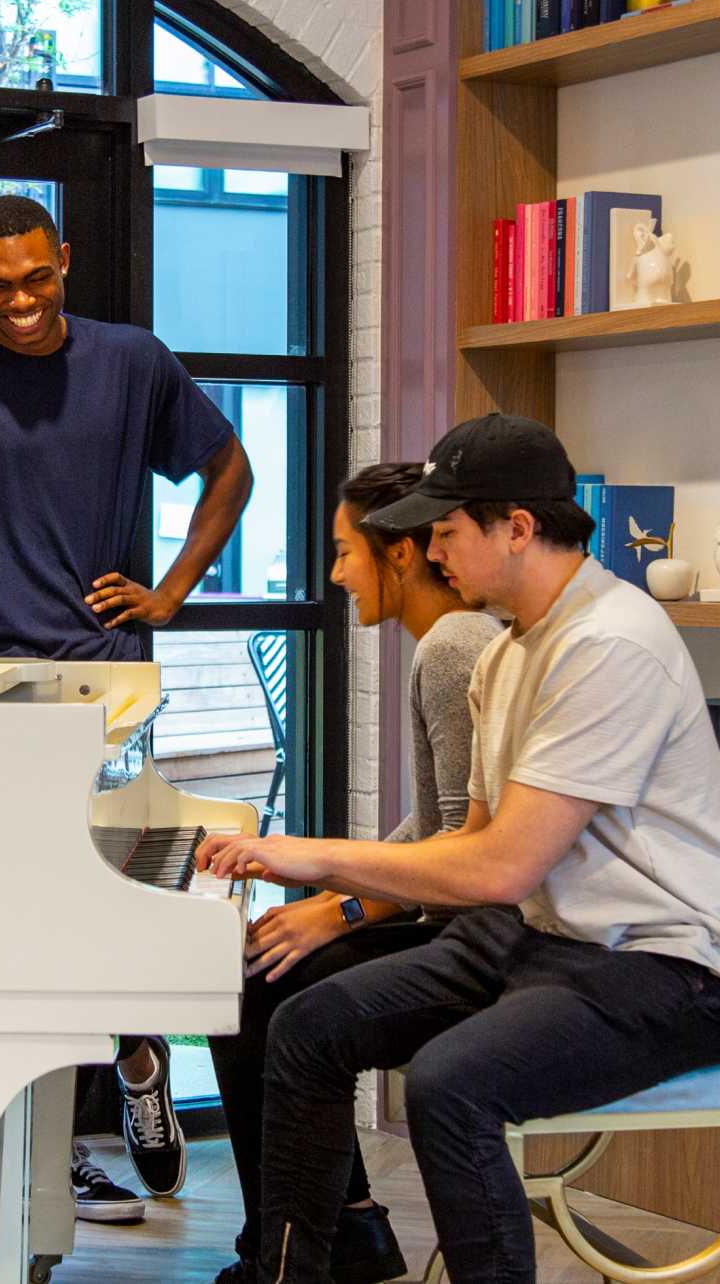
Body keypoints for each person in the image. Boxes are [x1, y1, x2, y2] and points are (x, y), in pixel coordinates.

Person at [196, 413, 720, 1284]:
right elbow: (467, 851)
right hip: (550, 941)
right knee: (307, 1024)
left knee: (450, 1082)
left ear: (518, 528)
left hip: (674, 969)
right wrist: (333, 884)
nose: (433, 553)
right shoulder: (506, 652)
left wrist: (317, 860)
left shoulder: (610, 643)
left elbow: (501, 866)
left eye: (449, 532)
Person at [0, 192, 254, 1223]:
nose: (21, 303)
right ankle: (61, 1142)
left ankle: (126, 1065)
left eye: (37, 279)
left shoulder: (131, 362)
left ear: (65, 259)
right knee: (10, 932)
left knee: (99, 906)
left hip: (108, 690)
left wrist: (168, 592)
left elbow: (230, 467)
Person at [204, 463, 502, 1284]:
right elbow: (438, 824)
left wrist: (337, 912)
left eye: (343, 552)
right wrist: (331, 898)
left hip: (476, 938)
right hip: (456, 917)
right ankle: (346, 1228)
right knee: (264, 969)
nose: (334, 574)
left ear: (401, 555)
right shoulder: (451, 643)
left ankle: (301, 1250)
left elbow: (461, 851)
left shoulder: (454, 647)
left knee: (259, 983)